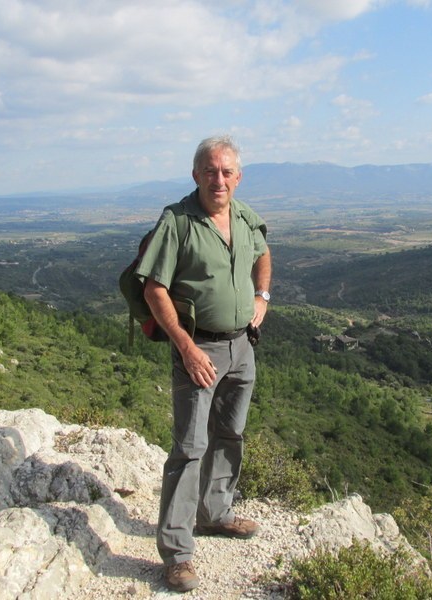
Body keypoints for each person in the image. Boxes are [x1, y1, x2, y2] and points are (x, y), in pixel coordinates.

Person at [134, 135, 271, 593]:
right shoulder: (178, 221)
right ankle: (176, 553)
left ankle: (214, 513)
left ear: (238, 177)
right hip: (198, 349)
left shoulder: (245, 216)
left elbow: (264, 255)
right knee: (190, 448)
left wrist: (261, 298)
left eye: (227, 171)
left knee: (230, 434)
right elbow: (155, 288)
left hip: (241, 346)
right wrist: (186, 348)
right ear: (196, 174)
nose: (219, 179)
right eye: (210, 171)